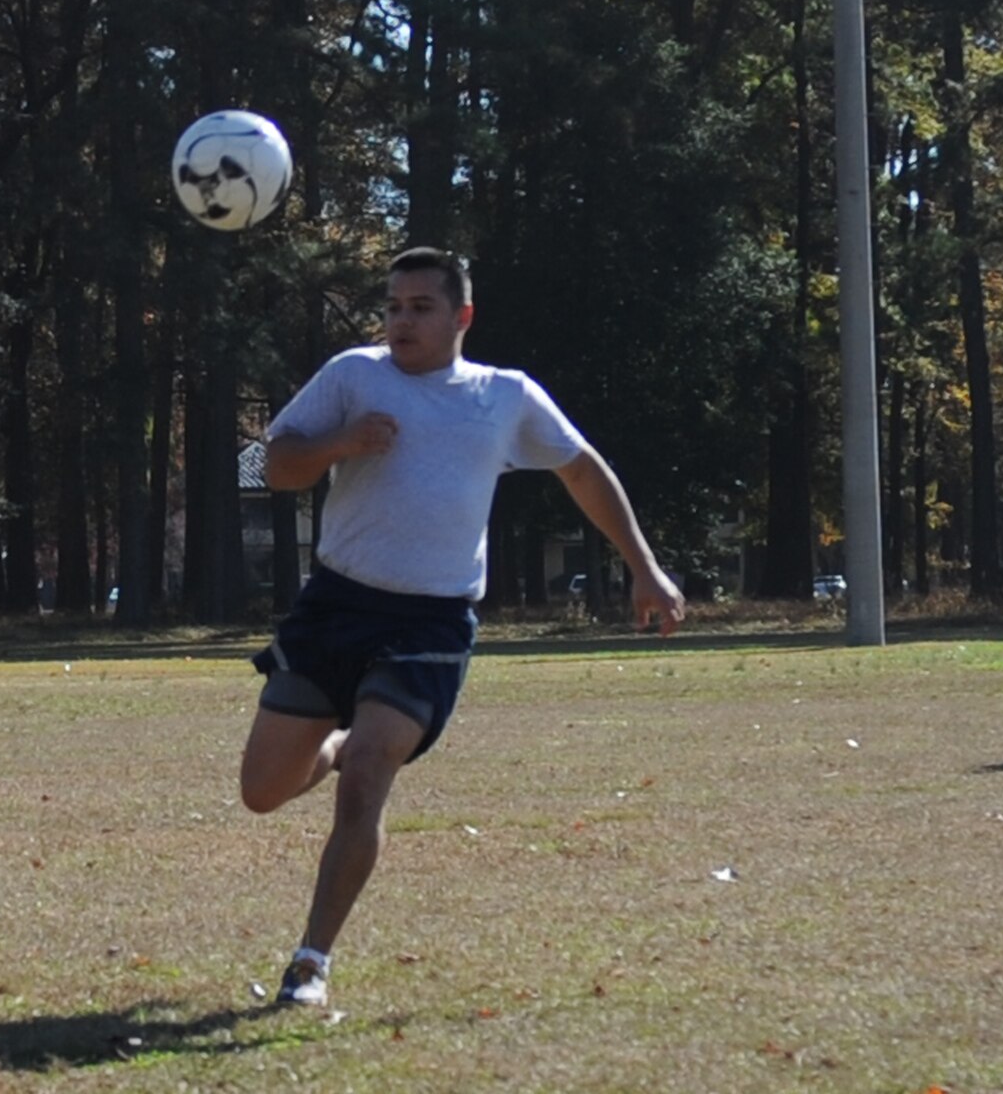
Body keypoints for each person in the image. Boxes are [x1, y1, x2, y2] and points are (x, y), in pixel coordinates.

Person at [240, 247, 686, 1008]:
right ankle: (336, 744)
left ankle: (311, 962)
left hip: (431, 619)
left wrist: (644, 567)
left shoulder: (505, 396)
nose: (401, 321)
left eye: (420, 307)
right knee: (262, 790)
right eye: (392, 307)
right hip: (336, 604)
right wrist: (341, 443)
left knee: (370, 772)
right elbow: (276, 467)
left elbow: (584, 471)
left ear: (462, 317)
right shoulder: (353, 375)